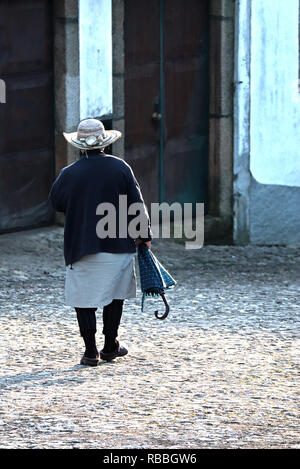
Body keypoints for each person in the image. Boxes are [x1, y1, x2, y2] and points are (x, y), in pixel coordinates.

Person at [49, 118, 152, 366]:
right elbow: (136, 205)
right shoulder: (121, 167)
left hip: (82, 245)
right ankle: (110, 346)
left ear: (80, 146)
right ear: (105, 143)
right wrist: (144, 236)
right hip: (118, 243)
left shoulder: (69, 173)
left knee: (83, 297)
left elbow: (56, 202)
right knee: (114, 295)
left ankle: (90, 351)